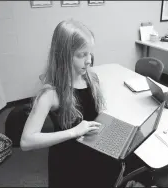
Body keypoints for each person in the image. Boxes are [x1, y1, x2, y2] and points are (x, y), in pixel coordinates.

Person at [20, 19, 121, 188]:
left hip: (94, 149)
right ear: (63, 56)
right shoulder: (51, 93)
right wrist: (74, 131)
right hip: (69, 163)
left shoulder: (91, 78)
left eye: (90, 54)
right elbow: (26, 141)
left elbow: (93, 110)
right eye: (82, 55)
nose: (89, 61)